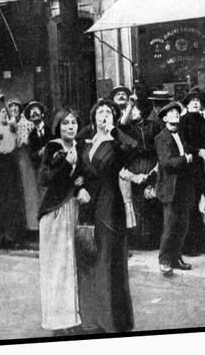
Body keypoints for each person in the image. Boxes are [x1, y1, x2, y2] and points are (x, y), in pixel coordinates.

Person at [78, 98, 137, 333]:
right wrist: (78, 186)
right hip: (87, 204)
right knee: (88, 257)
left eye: (108, 113)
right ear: (93, 118)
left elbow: (133, 149)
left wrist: (114, 130)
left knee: (108, 260)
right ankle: (91, 318)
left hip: (109, 205)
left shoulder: (117, 144)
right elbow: (78, 171)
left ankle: (113, 321)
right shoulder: (87, 142)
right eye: (100, 112)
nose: (104, 115)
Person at [38, 108, 84, 335]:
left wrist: (81, 184)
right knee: (57, 267)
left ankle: (73, 318)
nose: (70, 127)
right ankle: (58, 322)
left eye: (74, 122)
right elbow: (45, 178)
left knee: (73, 265)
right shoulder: (53, 147)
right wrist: (66, 163)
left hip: (73, 209)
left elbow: (81, 177)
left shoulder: (80, 147)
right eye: (65, 123)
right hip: (55, 212)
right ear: (58, 126)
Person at [155, 101, 195, 276]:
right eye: (171, 112)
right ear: (164, 118)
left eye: (177, 112)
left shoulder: (181, 134)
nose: (176, 114)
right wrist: (185, 159)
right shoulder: (161, 138)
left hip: (183, 187)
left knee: (182, 225)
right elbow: (166, 162)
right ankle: (164, 260)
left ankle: (176, 258)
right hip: (170, 188)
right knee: (170, 226)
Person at [118, 90, 163, 248]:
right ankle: (140, 242)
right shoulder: (128, 129)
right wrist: (129, 105)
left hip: (152, 165)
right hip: (135, 168)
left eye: (135, 108)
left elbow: (160, 147)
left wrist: (154, 172)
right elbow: (121, 125)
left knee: (153, 202)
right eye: (129, 111)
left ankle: (154, 240)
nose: (132, 112)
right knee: (138, 205)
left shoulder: (153, 125)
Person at [0, 106, 26, 248]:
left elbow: (18, 137)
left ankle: (12, 237)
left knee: (12, 200)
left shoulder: (14, 129)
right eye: (2, 112)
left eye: (7, 113)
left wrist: (13, 126)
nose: (4, 115)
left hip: (11, 163)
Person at [179, 89, 205, 255]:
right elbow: (183, 142)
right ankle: (189, 246)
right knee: (190, 203)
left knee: (201, 202)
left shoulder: (204, 121)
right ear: (187, 104)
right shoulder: (183, 120)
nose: (195, 102)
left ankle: (202, 244)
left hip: (201, 166)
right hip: (188, 166)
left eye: (198, 101)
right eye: (192, 100)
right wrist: (197, 151)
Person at [9, 97, 40, 233]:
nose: (14, 109)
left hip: (25, 160)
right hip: (12, 161)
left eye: (16, 106)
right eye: (11, 107)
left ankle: (32, 226)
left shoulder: (26, 124)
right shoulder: (6, 123)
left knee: (29, 191)